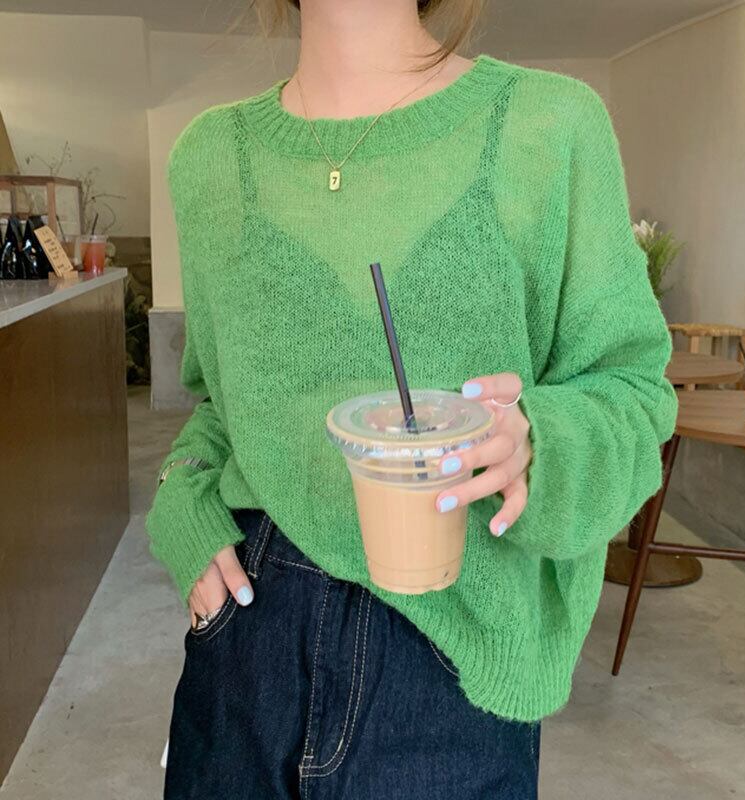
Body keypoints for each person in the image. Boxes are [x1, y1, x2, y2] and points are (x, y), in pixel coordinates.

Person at [145, 0, 678, 797]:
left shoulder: (551, 125)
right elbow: (220, 405)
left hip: (457, 655)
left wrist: (538, 440)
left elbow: (633, 392)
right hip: (247, 631)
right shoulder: (208, 158)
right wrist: (182, 500)